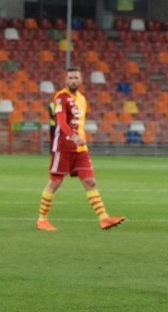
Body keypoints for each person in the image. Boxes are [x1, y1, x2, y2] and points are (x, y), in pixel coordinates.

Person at [35, 67, 125, 231]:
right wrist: (73, 136)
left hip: (80, 149)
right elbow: (61, 121)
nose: (73, 80)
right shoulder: (60, 98)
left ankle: (104, 218)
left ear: (81, 80)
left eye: (76, 77)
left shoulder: (82, 99)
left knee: (90, 181)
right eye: (70, 78)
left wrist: (79, 139)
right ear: (66, 80)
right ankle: (42, 219)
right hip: (63, 146)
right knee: (55, 182)